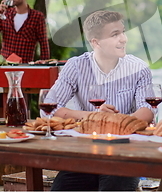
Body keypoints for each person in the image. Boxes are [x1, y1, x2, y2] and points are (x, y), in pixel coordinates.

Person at [46, 10, 154, 191]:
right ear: (95, 42)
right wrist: (93, 116)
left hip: (124, 152)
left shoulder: (139, 68)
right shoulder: (76, 66)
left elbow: (148, 110)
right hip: (85, 152)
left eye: (123, 32)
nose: (123, 39)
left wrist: (114, 123)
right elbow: (50, 107)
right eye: (115, 35)